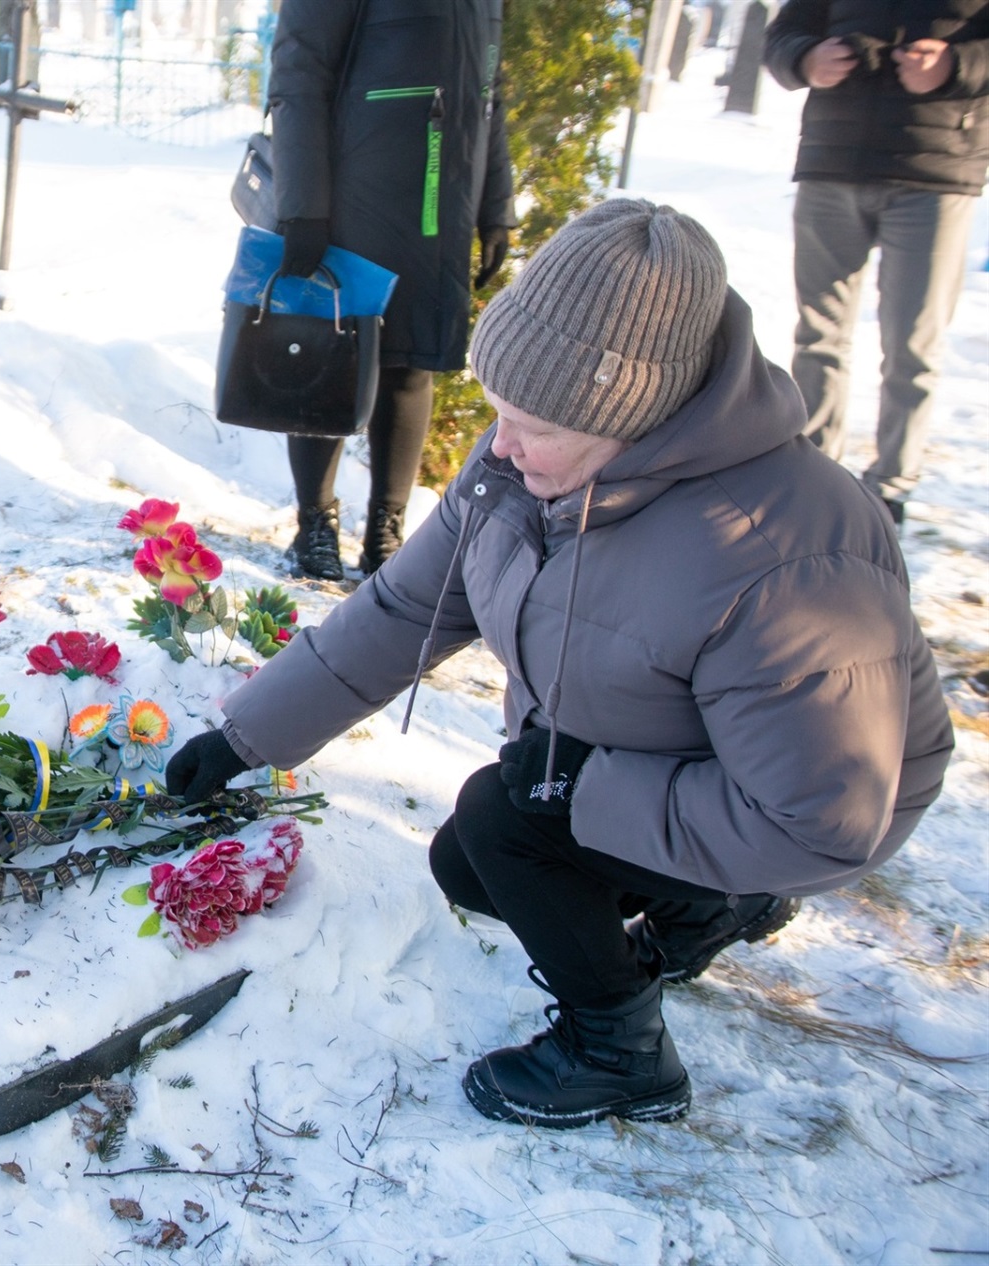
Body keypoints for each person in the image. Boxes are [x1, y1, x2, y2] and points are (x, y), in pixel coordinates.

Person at [165, 200, 954, 1128]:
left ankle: (622, 1052)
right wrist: (248, 734)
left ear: (631, 414)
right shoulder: (525, 471)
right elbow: (408, 606)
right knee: (476, 860)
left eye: (532, 422)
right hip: (646, 762)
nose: (498, 443)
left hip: (793, 807)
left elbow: (825, 818)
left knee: (504, 824)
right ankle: (709, 909)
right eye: (499, 409)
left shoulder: (778, 551)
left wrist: (583, 787)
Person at [267, 0, 516, 582]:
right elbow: (297, 76)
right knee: (329, 355)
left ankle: (386, 532)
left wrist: (495, 206)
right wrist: (303, 210)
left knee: (412, 364)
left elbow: (489, 89)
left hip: (440, 205)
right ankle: (315, 525)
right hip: (354, 193)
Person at [763, 0, 989, 528]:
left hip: (936, 171)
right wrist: (807, 59)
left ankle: (890, 488)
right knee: (818, 336)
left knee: (912, 344)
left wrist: (953, 67)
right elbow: (783, 37)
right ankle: (815, 473)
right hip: (832, 161)